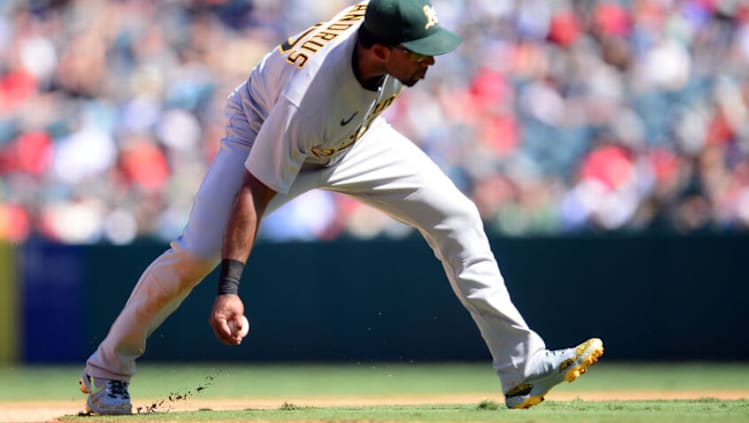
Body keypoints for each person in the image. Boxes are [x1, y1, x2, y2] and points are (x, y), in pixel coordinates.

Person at [79, 0, 604, 415]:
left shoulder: (382, 32)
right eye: (418, 49)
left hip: (353, 137)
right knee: (195, 254)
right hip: (265, 131)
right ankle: (107, 371)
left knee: (458, 215)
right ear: (378, 51)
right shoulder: (308, 100)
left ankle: (522, 366)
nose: (431, 57)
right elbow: (253, 192)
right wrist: (230, 292)